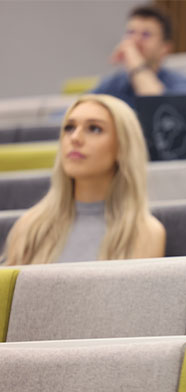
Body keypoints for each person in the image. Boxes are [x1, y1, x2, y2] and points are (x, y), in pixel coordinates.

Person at [2, 94, 166, 265]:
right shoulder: (30, 226)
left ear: (122, 148)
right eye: (69, 128)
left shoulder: (145, 233)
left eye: (94, 129)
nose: (75, 138)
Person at [92, 5, 186, 108]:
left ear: (165, 48)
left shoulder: (180, 84)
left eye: (146, 34)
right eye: (130, 32)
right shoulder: (112, 84)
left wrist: (136, 64)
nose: (135, 40)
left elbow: (160, 110)